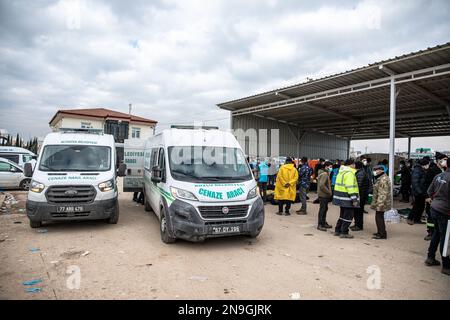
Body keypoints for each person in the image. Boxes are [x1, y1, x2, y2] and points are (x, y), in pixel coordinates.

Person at [424, 157, 450, 275]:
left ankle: (430, 257)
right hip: (445, 211)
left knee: (437, 233)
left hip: (434, 207)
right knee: (445, 237)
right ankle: (446, 265)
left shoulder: (439, 176)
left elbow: (430, 191)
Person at [332, 159, 359, 239]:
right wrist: (354, 199)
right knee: (348, 216)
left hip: (340, 198)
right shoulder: (350, 173)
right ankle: (344, 232)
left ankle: (337, 230)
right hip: (347, 199)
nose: (354, 166)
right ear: (351, 165)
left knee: (342, 215)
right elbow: (350, 187)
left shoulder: (341, 172)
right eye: (354, 164)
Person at [424, 153, 447, 240]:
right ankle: (430, 232)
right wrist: (427, 196)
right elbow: (426, 184)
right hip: (432, 196)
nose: (445, 162)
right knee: (430, 215)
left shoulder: (445, 170)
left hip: (441, 197)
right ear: (438, 161)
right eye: (444, 160)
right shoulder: (432, 170)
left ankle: (438, 232)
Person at [370, 165, 391, 239]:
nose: (374, 172)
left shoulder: (383, 179)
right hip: (380, 201)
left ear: (381, 170)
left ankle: (382, 234)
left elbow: (383, 193)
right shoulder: (380, 178)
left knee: (379, 218)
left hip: (382, 202)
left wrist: (380, 204)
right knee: (378, 217)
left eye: (376, 170)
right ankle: (380, 232)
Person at [408, 158, 430, 225]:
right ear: (424, 164)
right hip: (418, 192)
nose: (428, 165)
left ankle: (417, 219)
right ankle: (410, 218)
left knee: (421, 206)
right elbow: (415, 183)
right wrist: (420, 192)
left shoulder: (421, 169)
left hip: (421, 191)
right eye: (427, 164)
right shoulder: (417, 170)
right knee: (416, 206)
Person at [351, 161, 370, 231]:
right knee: (357, 211)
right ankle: (357, 224)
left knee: (358, 211)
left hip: (361, 195)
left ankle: (358, 226)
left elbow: (358, 186)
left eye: (354, 164)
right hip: (361, 195)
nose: (353, 166)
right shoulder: (360, 172)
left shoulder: (360, 174)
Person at [316, 161, 333, 231]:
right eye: (330, 167)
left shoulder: (322, 173)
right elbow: (322, 185)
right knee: (323, 209)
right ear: (326, 166)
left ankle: (323, 223)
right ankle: (320, 224)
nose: (331, 168)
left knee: (325, 209)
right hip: (323, 194)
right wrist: (328, 192)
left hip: (322, 194)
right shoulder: (325, 174)